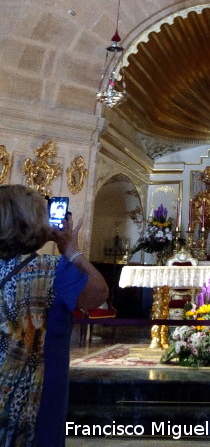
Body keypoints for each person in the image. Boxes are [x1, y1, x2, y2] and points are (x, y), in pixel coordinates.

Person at [0, 184, 108, 447]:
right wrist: (72, 250)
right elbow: (98, 293)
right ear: (35, 223)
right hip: (36, 390)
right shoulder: (53, 270)